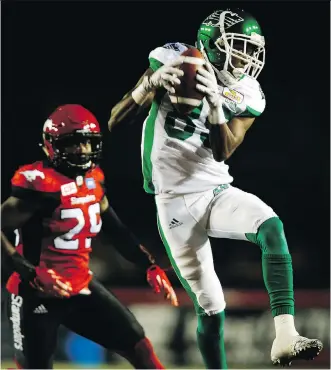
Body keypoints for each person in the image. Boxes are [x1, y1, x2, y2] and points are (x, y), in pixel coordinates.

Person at [108, 8, 323, 369]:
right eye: (238, 47)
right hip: (174, 202)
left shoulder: (248, 92)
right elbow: (115, 121)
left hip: (215, 188)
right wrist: (149, 85)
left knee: (272, 228)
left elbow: (225, 149)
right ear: (212, 44)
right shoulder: (175, 59)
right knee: (211, 309)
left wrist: (214, 106)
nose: (247, 58)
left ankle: (286, 334)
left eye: (252, 50)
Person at [1, 104, 178, 369]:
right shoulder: (39, 184)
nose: (82, 150)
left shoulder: (93, 179)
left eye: (87, 142)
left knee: (141, 348)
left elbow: (115, 229)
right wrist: (28, 271)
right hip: (35, 294)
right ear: (52, 145)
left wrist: (148, 265)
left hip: (81, 286)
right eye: (73, 143)